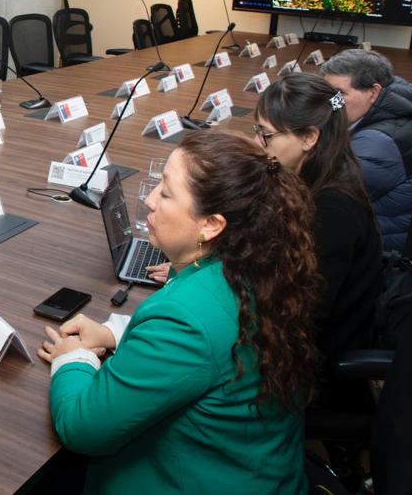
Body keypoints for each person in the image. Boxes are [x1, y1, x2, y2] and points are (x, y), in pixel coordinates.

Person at [38, 131, 320, 493]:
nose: (150, 200)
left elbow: (83, 429)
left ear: (211, 224)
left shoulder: (184, 319)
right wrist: (114, 333)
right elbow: (213, 341)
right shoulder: (259, 265)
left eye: (166, 193)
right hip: (259, 470)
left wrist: (73, 359)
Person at [250, 72, 382, 362]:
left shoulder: (334, 209)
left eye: (266, 134)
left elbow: (303, 312)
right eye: (256, 130)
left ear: (309, 137)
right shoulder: (313, 173)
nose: (257, 141)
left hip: (310, 360)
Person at [321, 48, 412, 251]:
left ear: (374, 92)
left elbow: (327, 195)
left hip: (381, 249)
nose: (331, 102)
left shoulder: (378, 142)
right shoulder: (392, 112)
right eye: (328, 93)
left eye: (340, 93)